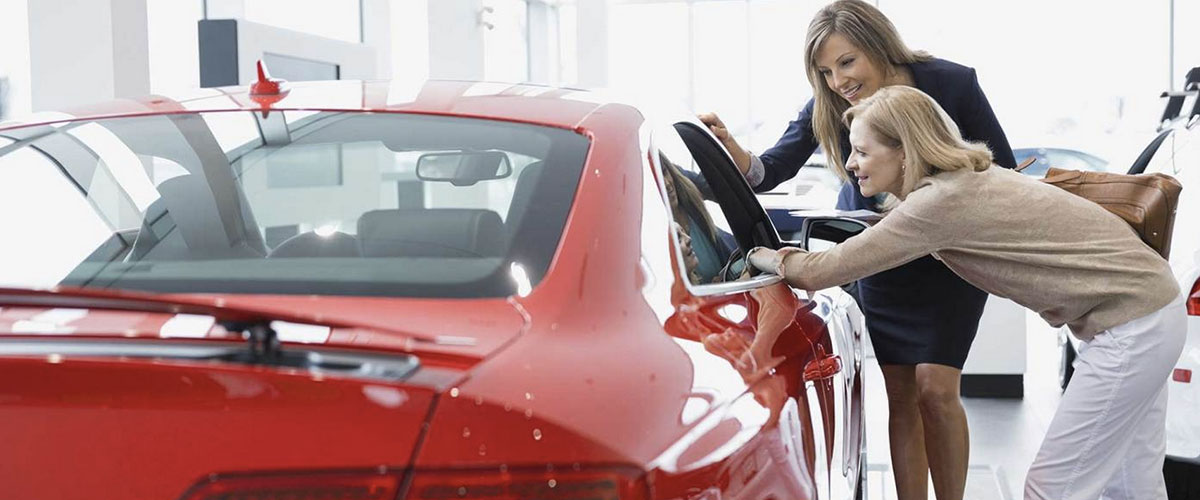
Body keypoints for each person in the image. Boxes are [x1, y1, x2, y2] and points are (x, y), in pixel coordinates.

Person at [748, 85, 1184, 500]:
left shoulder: (937, 205)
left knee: (1054, 488)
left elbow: (821, 272)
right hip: (1153, 309)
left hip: (1132, 329)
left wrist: (759, 255)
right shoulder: (965, 180)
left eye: (862, 151)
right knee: (1134, 487)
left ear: (904, 150)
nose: (851, 163)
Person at [701, 2, 1015, 498]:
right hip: (878, 252)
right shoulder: (826, 105)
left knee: (937, 388)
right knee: (902, 397)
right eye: (825, 71)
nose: (837, 80)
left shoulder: (951, 84)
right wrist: (729, 152)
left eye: (846, 62)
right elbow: (770, 169)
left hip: (949, 258)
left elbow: (1001, 168)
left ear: (877, 44)